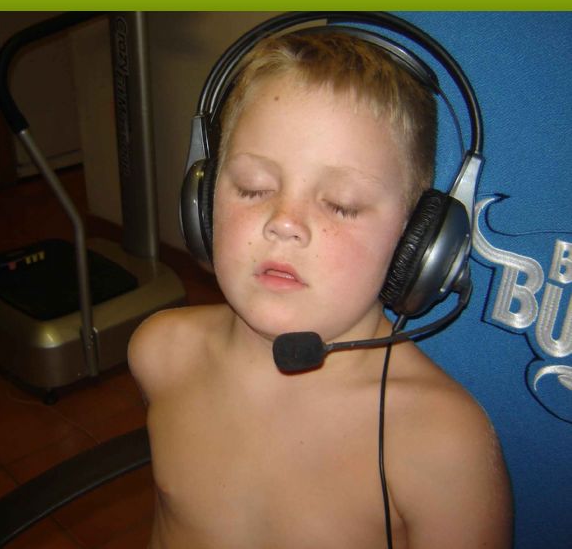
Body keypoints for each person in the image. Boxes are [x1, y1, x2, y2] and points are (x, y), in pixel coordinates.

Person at [128, 29, 513, 548]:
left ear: (418, 242)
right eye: (253, 188)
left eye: (341, 204)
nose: (284, 223)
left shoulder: (441, 444)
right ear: (203, 202)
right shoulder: (161, 353)